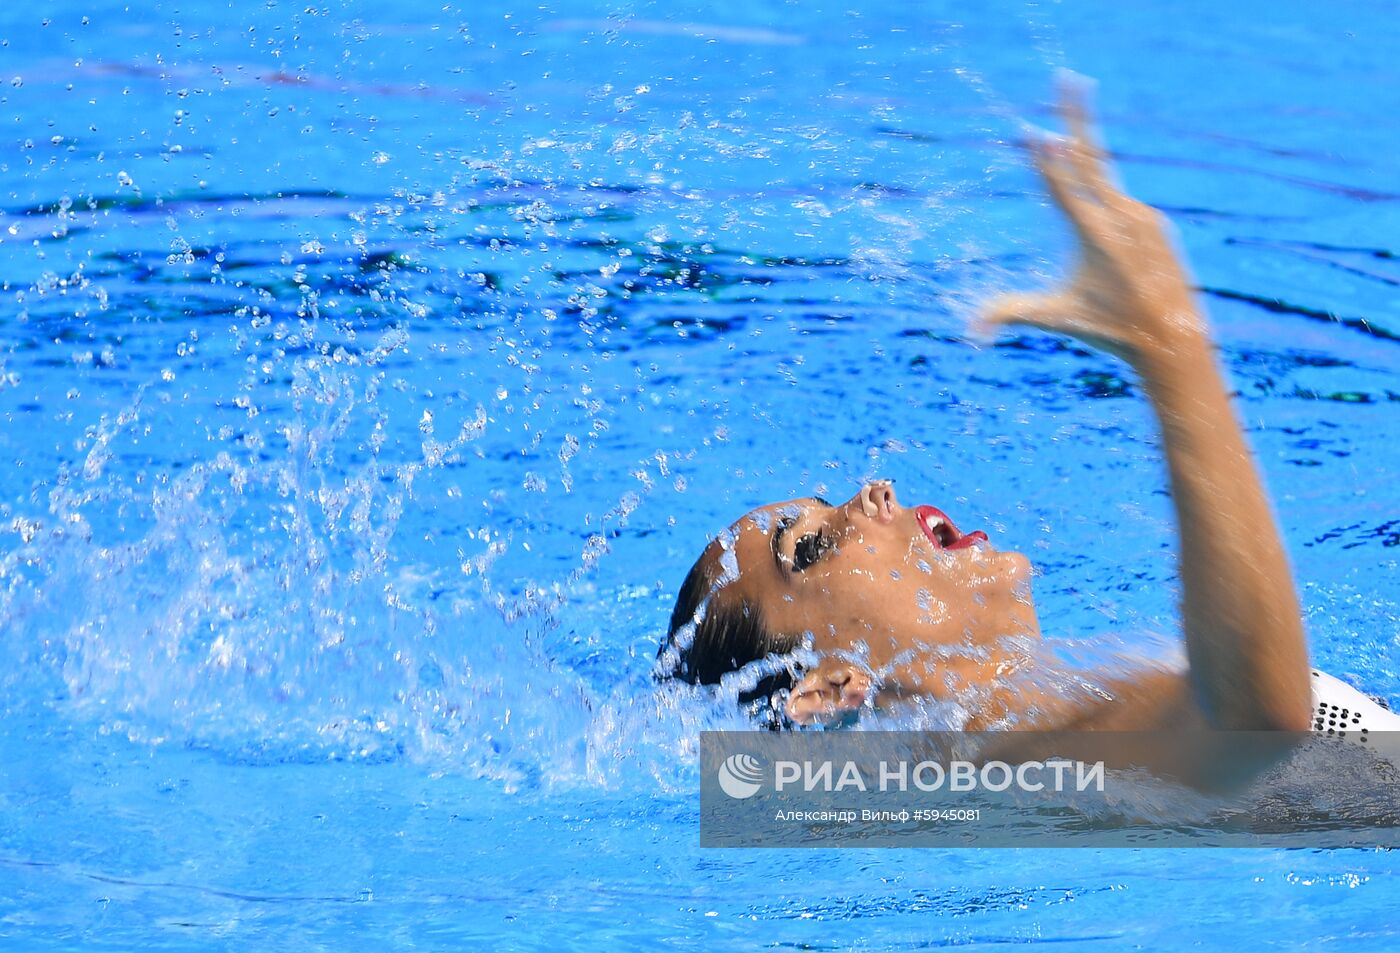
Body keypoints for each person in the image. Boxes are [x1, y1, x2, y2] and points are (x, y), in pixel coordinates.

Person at [655, 80, 1399, 742]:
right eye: (810, 546)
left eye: (827, 503)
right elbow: (1257, 727)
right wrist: (1172, 350)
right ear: (828, 690)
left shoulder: (1038, 713)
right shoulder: (1019, 758)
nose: (870, 492)